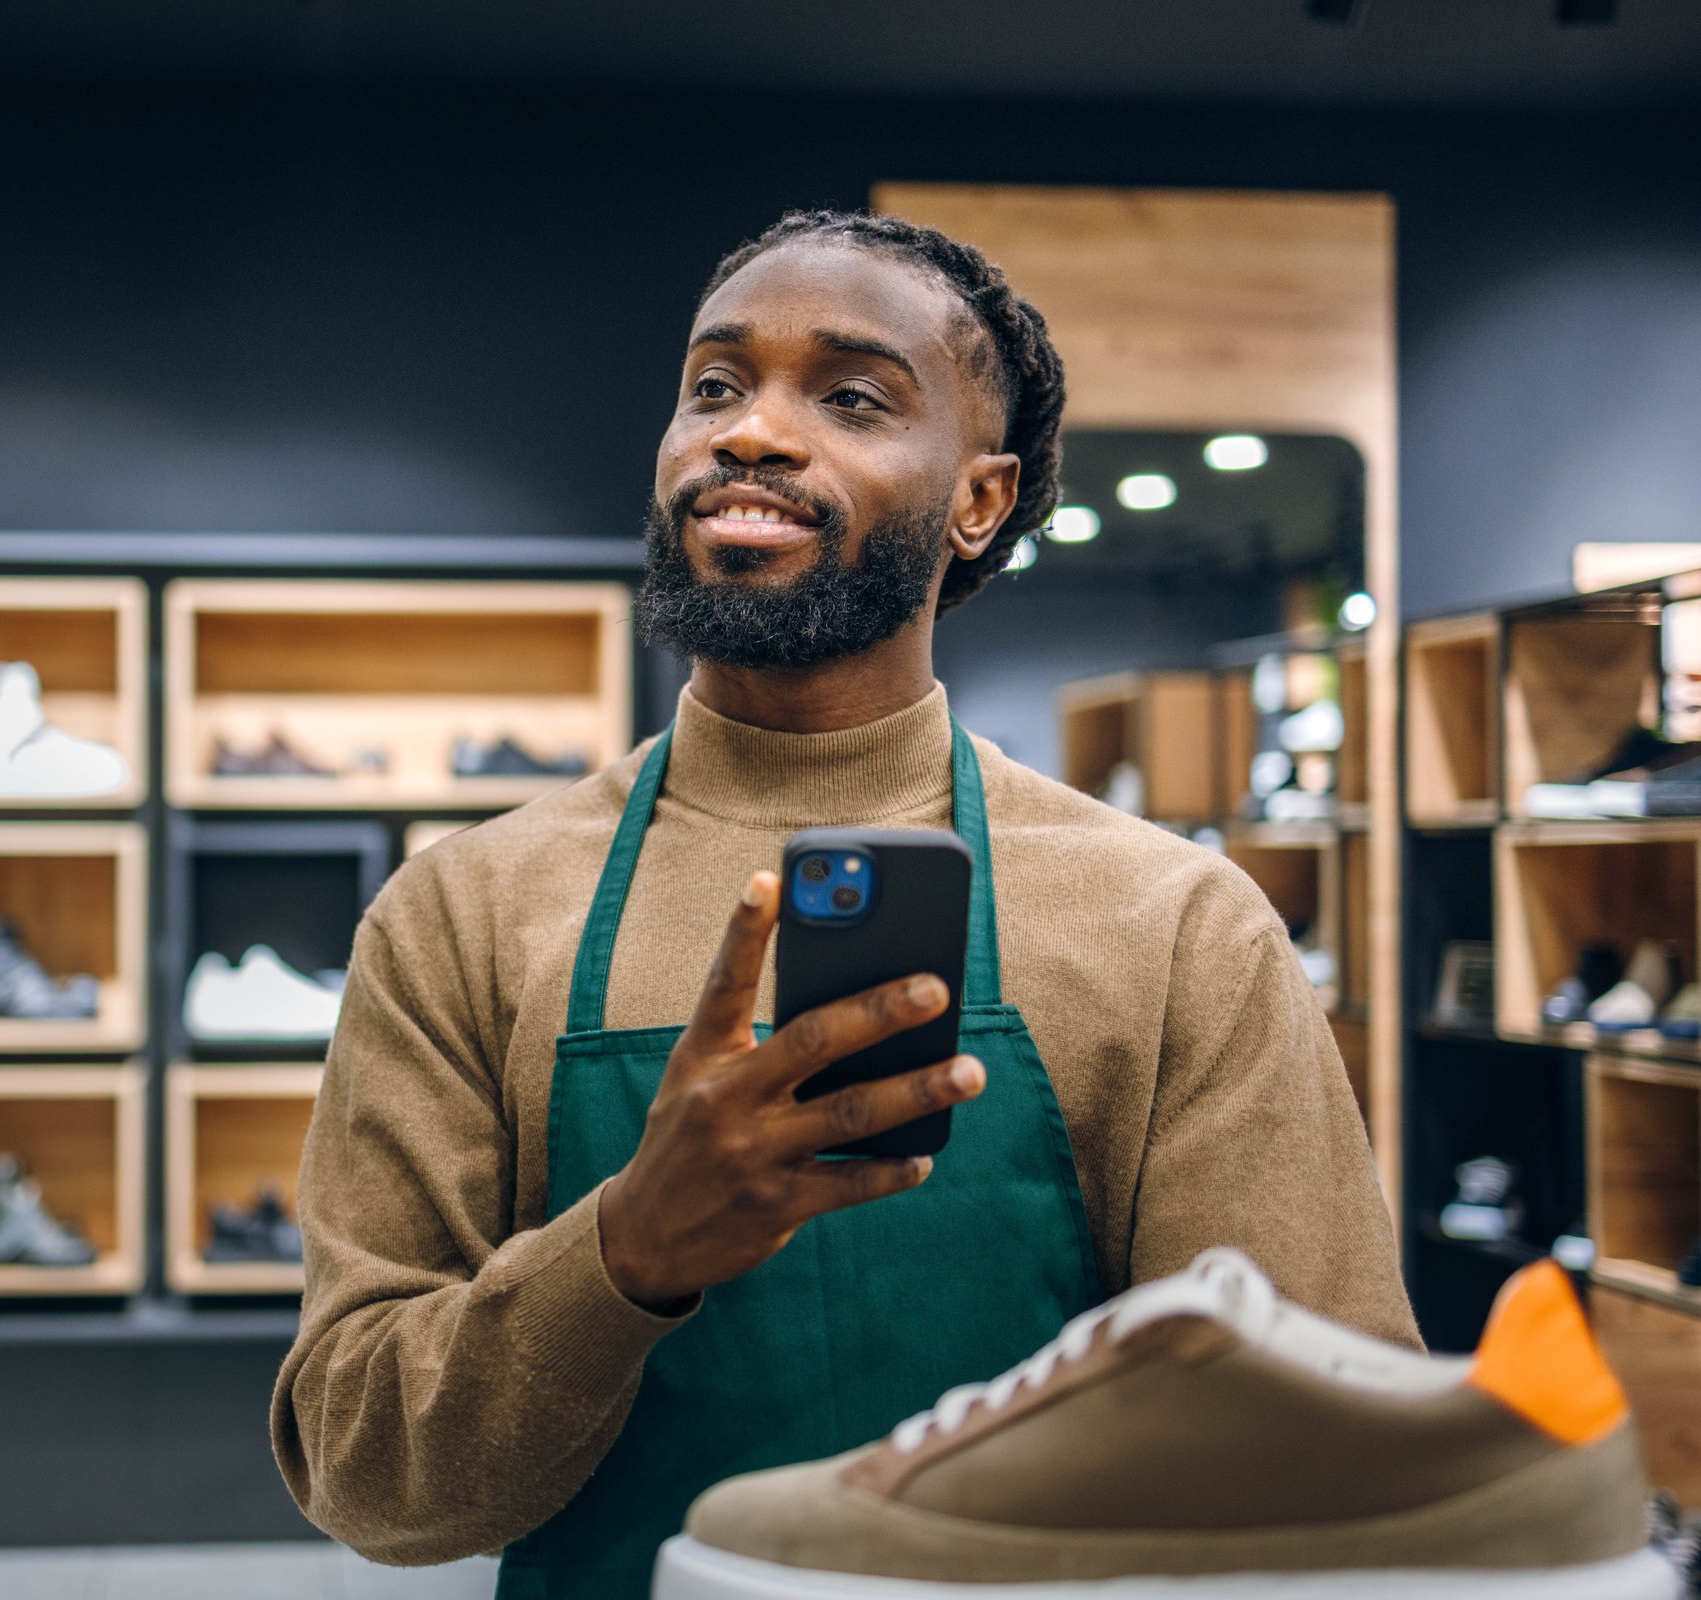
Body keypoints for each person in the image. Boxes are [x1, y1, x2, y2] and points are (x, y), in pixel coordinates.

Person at [271, 209, 1415, 1599]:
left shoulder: (1170, 924)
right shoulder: (464, 912)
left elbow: (1320, 1459)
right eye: (714, 384)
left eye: (850, 397)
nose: (748, 432)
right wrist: (626, 1252)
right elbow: (369, 1483)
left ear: (980, 501)